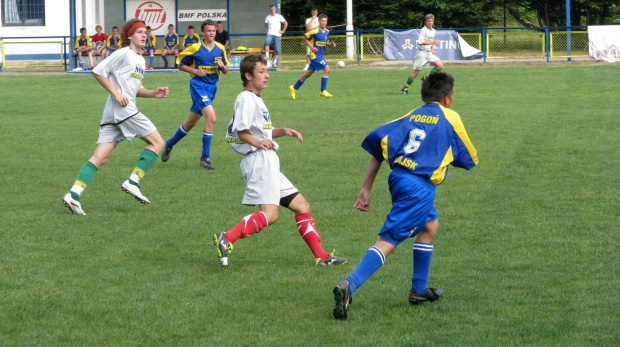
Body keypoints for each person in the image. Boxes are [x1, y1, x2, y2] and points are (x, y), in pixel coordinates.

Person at [332, 72, 478, 320]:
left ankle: (419, 290)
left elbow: (379, 141)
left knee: (430, 225)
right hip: (419, 187)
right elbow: (469, 158)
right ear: (447, 98)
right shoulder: (450, 117)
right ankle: (349, 285)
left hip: (399, 178)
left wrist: (366, 188)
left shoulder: (410, 116)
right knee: (389, 239)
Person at [214, 54, 346, 268]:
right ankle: (227, 238)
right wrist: (258, 144)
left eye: (266, 71)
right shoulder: (246, 98)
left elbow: (259, 131)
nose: (266, 76)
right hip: (259, 162)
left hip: (267, 160)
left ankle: (321, 257)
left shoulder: (255, 98)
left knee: (302, 206)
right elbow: (241, 131)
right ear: (248, 75)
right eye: (261, 72)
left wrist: (282, 131)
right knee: (270, 215)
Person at [62, 19, 169, 216]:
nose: (144, 35)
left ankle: (73, 194)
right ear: (130, 36)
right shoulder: (123, 53)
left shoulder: (140, 60)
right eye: (140, 32)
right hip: (123, 109)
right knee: (157, 142)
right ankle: (133, 181)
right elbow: (98, 71)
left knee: (100, 157)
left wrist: (154, 93)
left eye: (146, 32)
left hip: (114, 112)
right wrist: (117, 94)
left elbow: (134, 89)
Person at [161, 19, 229, 169]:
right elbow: (180, 64)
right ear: (203, 33)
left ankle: (169, 144)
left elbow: (225, 71)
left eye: (213, 31)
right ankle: (205, 158)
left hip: (212, 88)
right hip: (198, 86)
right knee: (211, 117)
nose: (211, 33)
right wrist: (195, 71)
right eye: (209, 31)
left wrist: (223, 66)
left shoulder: (219, 48)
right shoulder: (195, 48)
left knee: (190, 123)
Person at [288, 14, 336, 99]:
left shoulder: (327, 31)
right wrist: (311, 47)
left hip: (320, 55)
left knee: (308, 74)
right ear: (319, 21)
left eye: (325, 21)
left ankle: (294, 88)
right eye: (322, 21)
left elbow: (323, 42)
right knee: (327, 70)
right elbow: (305, 38)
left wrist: (330, 44)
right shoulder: (315, 31)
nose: (324, 22)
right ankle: (323, 91)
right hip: (315, 56)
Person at [401, 14, 444, 95]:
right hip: (422, 53)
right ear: (425, 22)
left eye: (431, 21)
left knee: (440, 65)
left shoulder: (434, 31)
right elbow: (421, 42)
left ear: (433, 22)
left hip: (429, 52)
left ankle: (427, 78)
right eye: (428, 21)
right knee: (417, 72)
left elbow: (431, 41)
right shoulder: (424, 30)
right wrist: (433, 42)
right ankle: (405, 87)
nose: (430, 23)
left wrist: (432, 49)